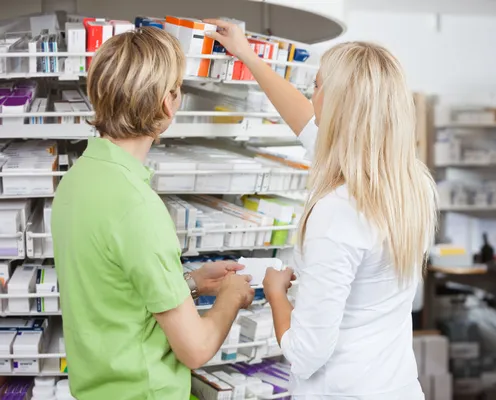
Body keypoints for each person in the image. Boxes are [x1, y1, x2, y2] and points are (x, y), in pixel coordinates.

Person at [206, 20, 438, 399]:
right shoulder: (412, 185)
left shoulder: (337, 213)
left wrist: (276, 291)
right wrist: (247, 54)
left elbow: (305, 354)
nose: (311, 98)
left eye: (316, 87)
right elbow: (304, 118)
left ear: (338, 106)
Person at [51, 27, 255, 400]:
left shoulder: (76, 180)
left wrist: (189, 283)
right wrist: (231, 295)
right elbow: (194, 348)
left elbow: (116, 292)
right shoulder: (138, 207)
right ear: (167, 103)